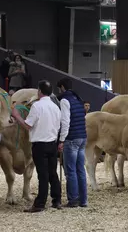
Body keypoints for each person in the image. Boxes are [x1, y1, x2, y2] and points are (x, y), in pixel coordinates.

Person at [12, 80, 62, 212]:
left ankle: (40, 204)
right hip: (52, 143)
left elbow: (28, 125)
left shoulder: (36, 107)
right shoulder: (55, 107)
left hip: (40, 144)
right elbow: (58, 126)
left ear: (39, 91)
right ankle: (57, 200)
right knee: (53, 173)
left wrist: (17, 116)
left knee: (43, 175)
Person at [57, 78, 88, 208]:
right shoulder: (78, 99)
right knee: (80, 169)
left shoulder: (65, 100)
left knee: (70, 171)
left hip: (71, 138)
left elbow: (65, 122)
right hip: (82, 137)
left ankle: (73, 199)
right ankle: (83, 200)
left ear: (62, 87)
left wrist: (62, 139)